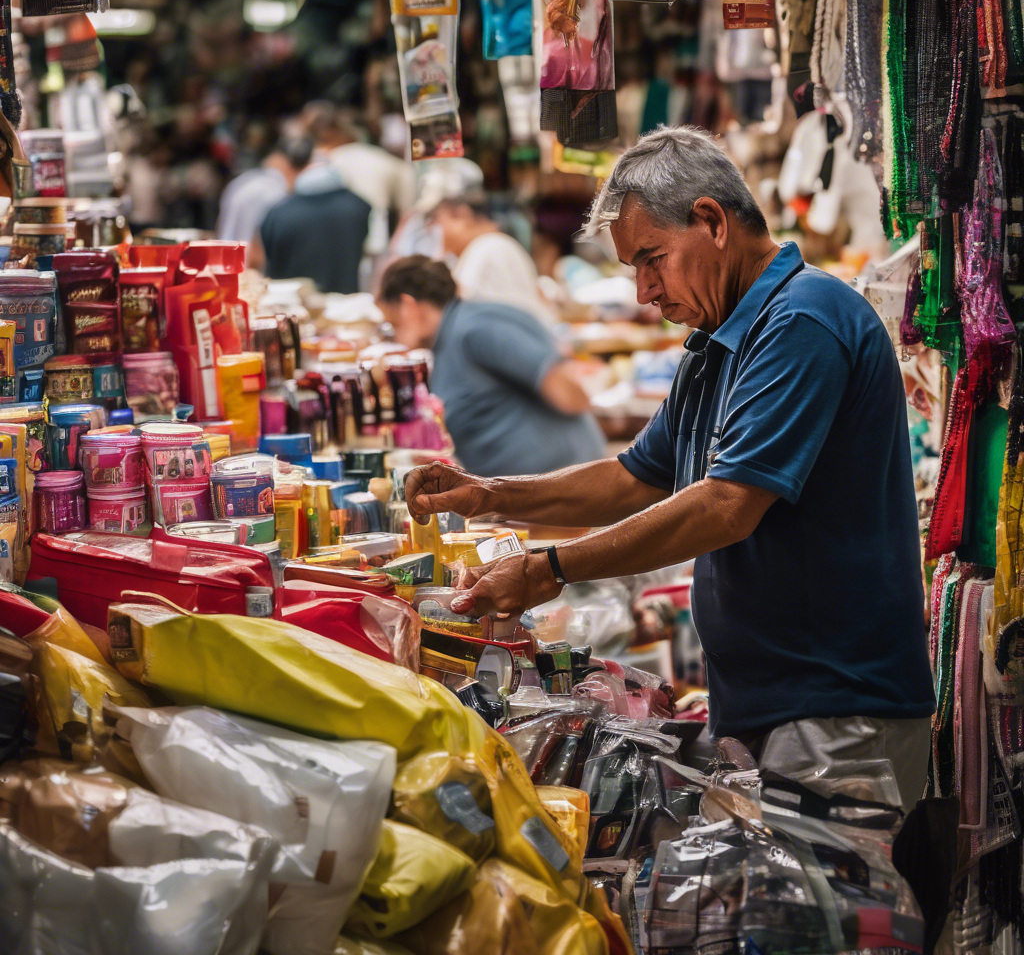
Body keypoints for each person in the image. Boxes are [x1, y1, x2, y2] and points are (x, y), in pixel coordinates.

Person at [405, 126, 936, 812]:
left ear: (711, 221)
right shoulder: (717, 340)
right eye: (633, 267)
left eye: (652, 259)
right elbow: (633, 478)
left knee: (826, 915)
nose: (645, 291)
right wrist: (490, 495)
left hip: (835, 710)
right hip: (768, 704)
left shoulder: (805, 320)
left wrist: (548, 569)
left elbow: (726, 505)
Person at [377, 256, 605, 477]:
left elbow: (569, 392)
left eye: (393, 325)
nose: (394, 338)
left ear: (409, 306)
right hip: (525, 495)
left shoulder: (475, 329)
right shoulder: (449, 339)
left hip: (563, 487)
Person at [300, 101, 416, 256]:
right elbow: (408, 212)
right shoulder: (386, 161)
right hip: (378, 240)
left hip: (339, 243)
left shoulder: (322, 161)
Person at [427, 195, 557, 327]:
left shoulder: (487, 246)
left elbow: (460, 307)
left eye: (437, 221)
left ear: (462, 215)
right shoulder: (491, 245)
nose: (433, 230)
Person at [256, 163, 371, 292]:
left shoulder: (278, 213)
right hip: (346, 302)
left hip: (290, 303)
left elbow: (265, 257)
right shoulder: (360, 207)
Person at [217, 135, 312, 247]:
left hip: (226, 257)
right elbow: (257, 248)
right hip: (249, 261)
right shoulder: (276, 193)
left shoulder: (243, 181)